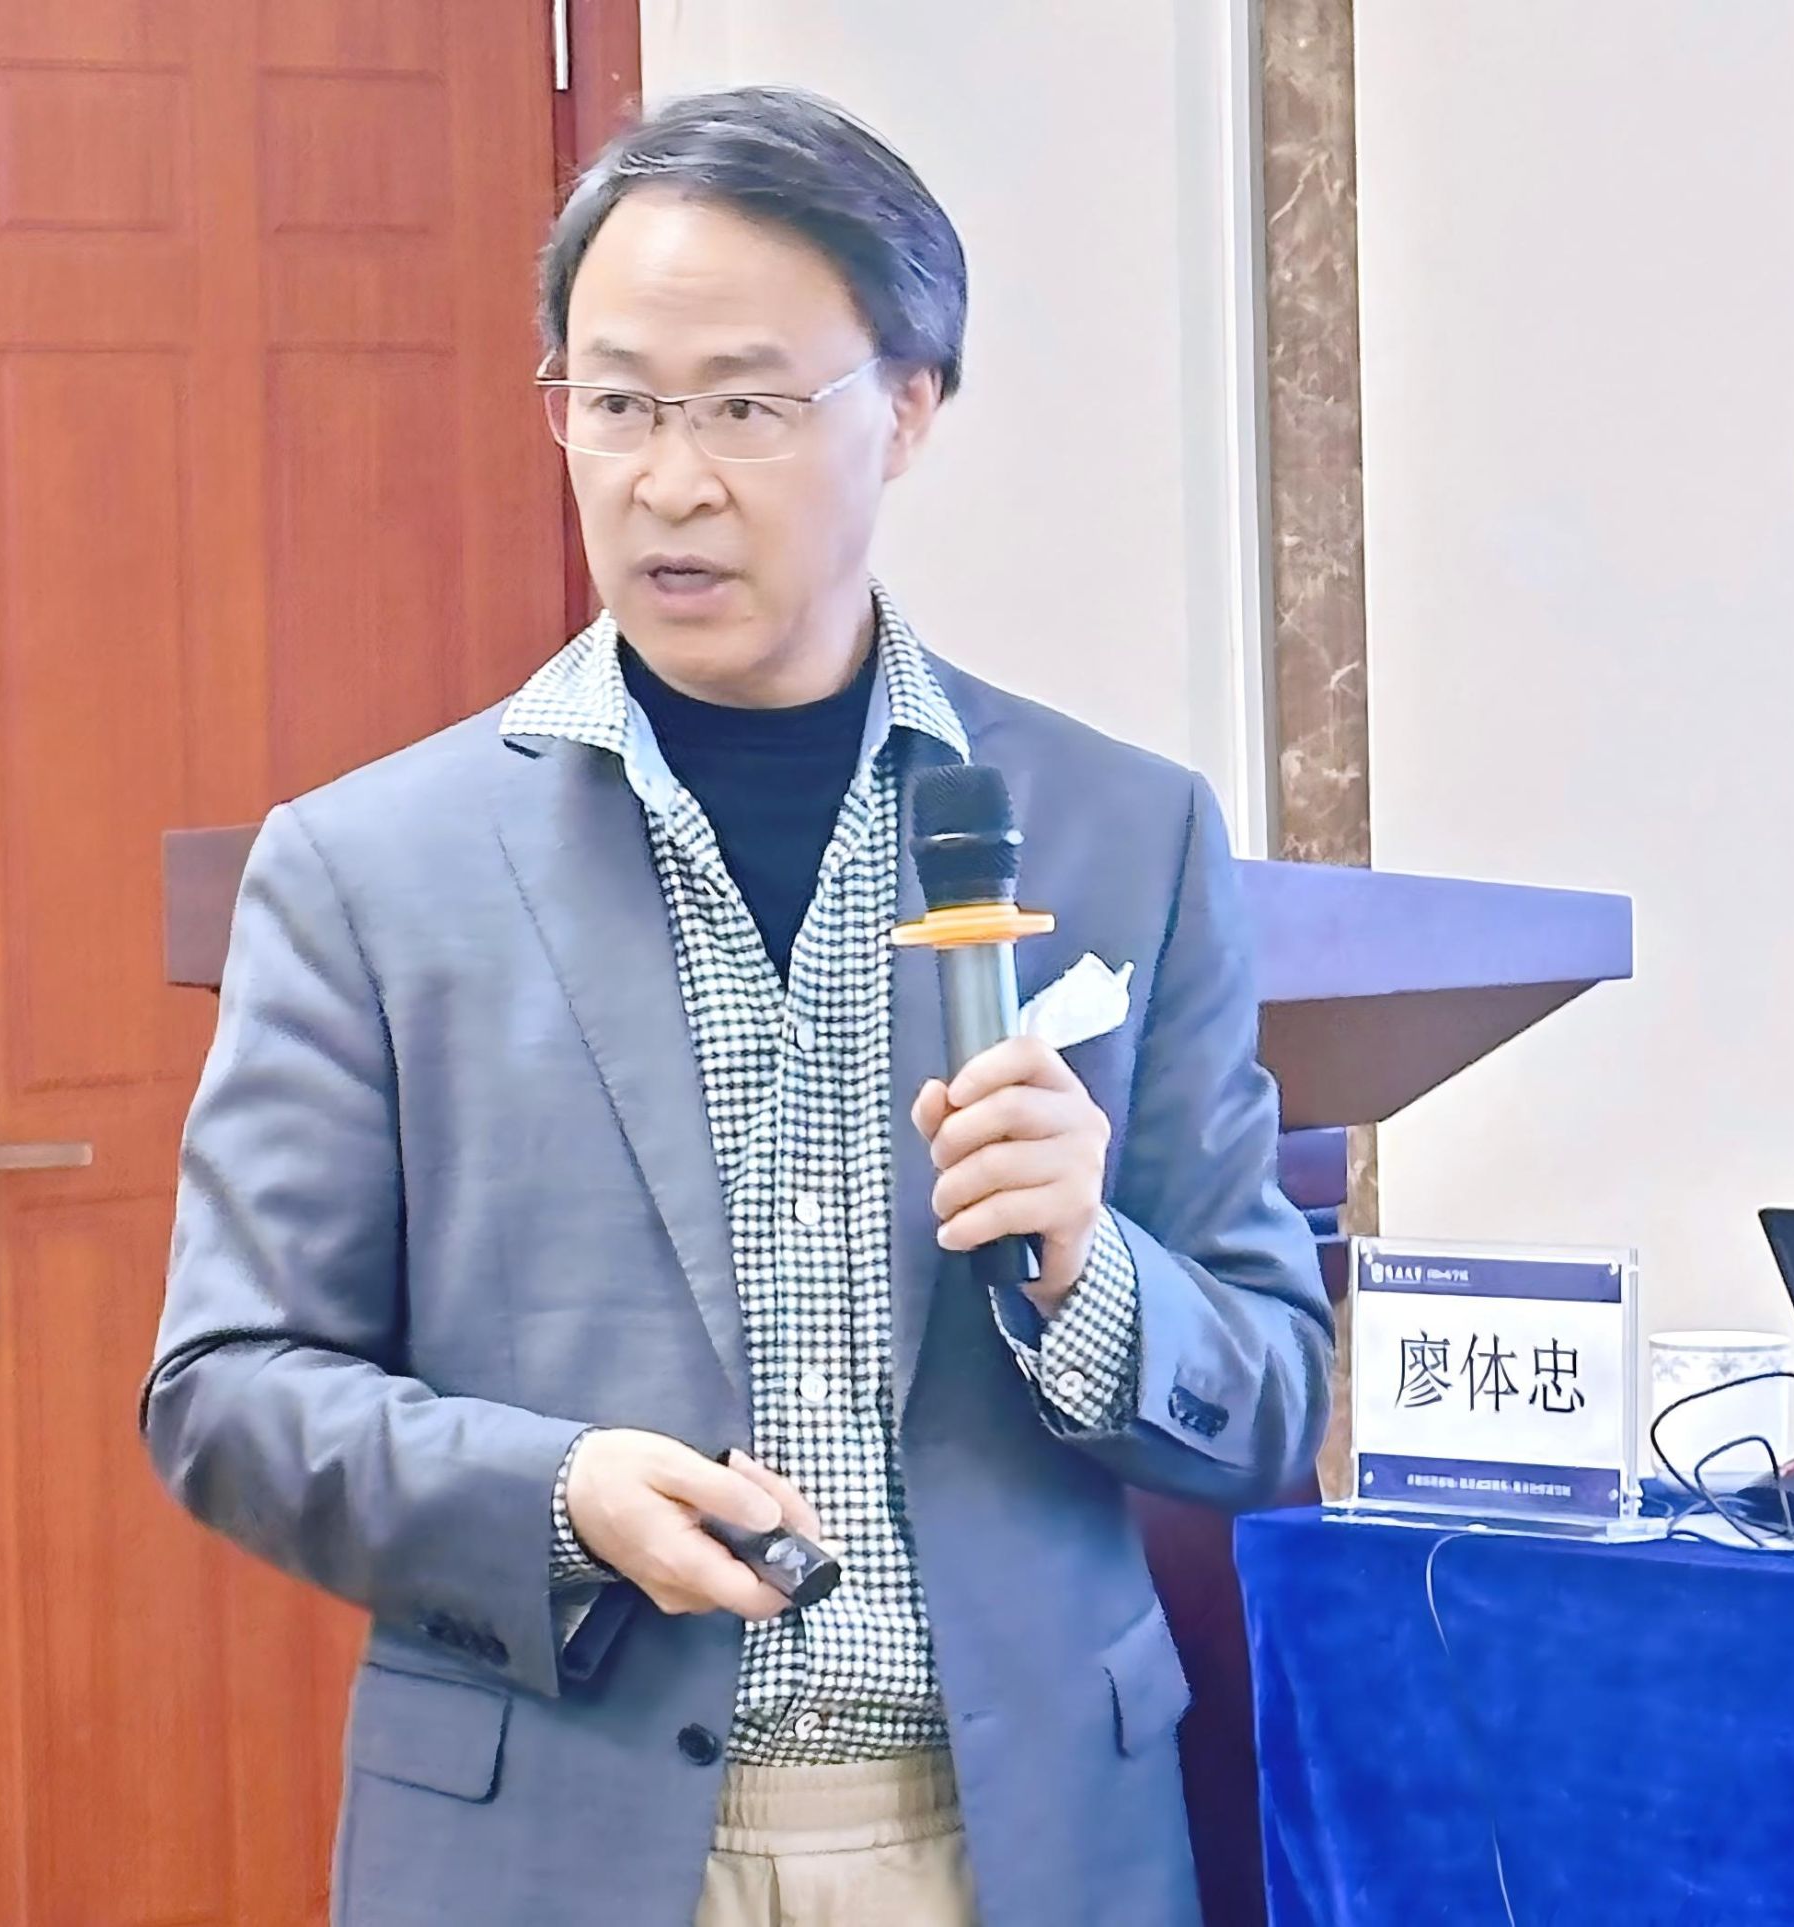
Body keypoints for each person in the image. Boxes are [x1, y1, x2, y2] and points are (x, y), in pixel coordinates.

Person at [144, 85, 1331, 1927]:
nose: (669, 481)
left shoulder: (1127, 830)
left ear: (908, 408)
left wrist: (1089, 1268)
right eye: (616, 403)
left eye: (747, 409)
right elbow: (227, 1391)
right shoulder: (369, 867)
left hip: (1017, 1844)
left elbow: (1269, 1395)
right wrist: (555, 1493)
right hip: (559, 1851)